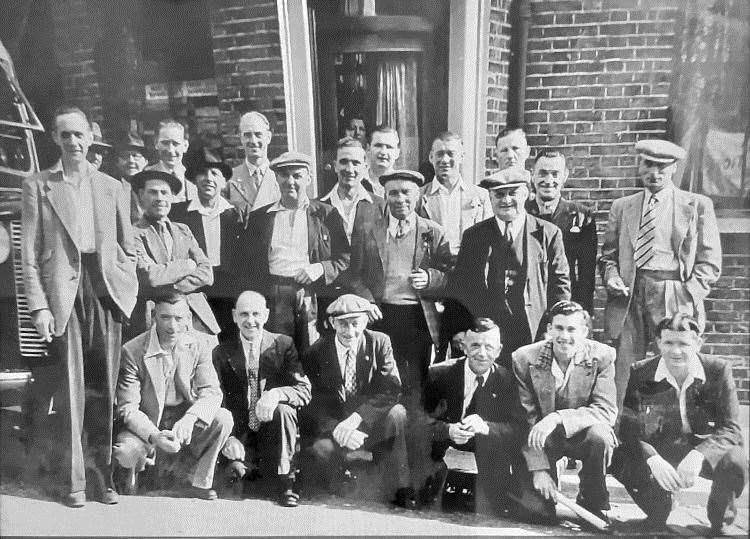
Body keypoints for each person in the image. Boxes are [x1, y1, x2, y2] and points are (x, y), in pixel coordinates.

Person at [21, 105, 138, 507]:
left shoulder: (111, 185)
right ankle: (74, 484)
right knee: (73, 392)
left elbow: (128, 247)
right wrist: (39, 308)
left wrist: (126, 286)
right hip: (64, 295)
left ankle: (103, 479)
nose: (73, 141)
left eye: (79, 134)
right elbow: (30, 256)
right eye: (64, 134)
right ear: (55, 138)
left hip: (104, 290)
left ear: (91, 138)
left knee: (104, 390)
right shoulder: (37, 185)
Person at [599, 139, 721, 411]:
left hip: (674, 291)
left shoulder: (697, 205)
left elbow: (710, 263)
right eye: (648, 164)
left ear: (674, 168)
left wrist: (687, 295)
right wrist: (612, 277)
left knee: (676, 363)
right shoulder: (622, 206)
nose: (654, 172)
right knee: (626, 369)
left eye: (662, 166)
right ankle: (624, 435)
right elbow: (607, 257)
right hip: (630, 293)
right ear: (638, 166)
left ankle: (681, 430)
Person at [613, 313, 747, 534]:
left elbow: (731, 428)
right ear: (658, 343)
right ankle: (657, 512)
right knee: (621, 455)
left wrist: (699, 454)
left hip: (700, 451)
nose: (675, 351)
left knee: (735, 459)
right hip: (663, 449)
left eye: (683, 344)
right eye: (668, 343)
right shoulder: (642, 371)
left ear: (697, 342)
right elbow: (628, 428)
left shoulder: (718, 370)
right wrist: (653, 459)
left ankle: (719, 524)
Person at [114, 293, 233, 500]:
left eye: (179, 319)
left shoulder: (198, 344)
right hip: (148, 421)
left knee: (222, 418)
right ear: (153, 316)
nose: (172, 326)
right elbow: (128, 409)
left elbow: (212, 392)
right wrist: (154, 435)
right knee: (125, 453)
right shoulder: (132, 351)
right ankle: (135, 477)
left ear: (188, 319)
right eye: (165, 317)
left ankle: (196, 482)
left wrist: (191, 418)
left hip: (182, 418)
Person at [449, 168, 570, 368]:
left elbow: (560, 286)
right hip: (487, 334)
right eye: (499, 194)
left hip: (533, 330)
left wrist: (553, 329)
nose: (506, 200)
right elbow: (460, 287)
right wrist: (461, 329)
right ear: (490, 197)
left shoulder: (548, 234)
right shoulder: (474, 236)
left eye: (512, 193)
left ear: (526, 194)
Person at [303, 294, 416, 509]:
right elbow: (314, 402)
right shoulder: (316, 352)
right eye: (342, 324)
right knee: (321, 451)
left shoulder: (379, 342)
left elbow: (392, 389)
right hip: (338, 427)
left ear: (365, 321)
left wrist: (357, 419)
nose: (350, 331)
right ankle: (337, 484)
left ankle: (402, 486)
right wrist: (337, 428)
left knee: (398, 413)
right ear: (332, 323)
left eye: (355, 323)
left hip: (373, 421)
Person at [344, 169, 452, 391]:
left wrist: (430, 278)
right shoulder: (368, 230)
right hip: (381, 315)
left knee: (416, 381)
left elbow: (451, 274)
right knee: (382, 378)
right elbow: (353, 273)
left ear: (418, 196)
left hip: (418, 318)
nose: (400, 199)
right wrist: (368, 302)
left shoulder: (432, 232)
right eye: (393, 193)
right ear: (385, 196)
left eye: (406, 192)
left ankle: (413, 422)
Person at [512, 300, 618, 524]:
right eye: (558, 328)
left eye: (572, 329)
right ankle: (550, 473)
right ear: (549, 330)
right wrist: (539, 469)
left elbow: (605, 410)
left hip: (583, 436)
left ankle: (591, 496)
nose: (564, 336)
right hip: (542, 439)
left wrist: (557, 417)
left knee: (601, 436)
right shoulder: (524, 358)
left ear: (584, 332)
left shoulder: (603, 357)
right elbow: (526, 417)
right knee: (535, 514)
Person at [241, 151, 349, 352]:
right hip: (274, 294)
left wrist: (320, 268)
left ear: (308, 178)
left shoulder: (327, 214)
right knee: (276, 351)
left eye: (297, 175)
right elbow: (247, 265)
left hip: (310, 294)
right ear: (276, 178)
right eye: (284, 175)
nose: (290, 181)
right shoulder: (260, 218)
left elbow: (345, 258)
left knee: (312, 351)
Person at [213, 291, 311, 507]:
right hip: (241, 438)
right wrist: (227, 437)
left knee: (284, 410)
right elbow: (215, 400)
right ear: (234, 316)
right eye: (244, 314)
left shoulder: (283, 345)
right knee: (233, 482)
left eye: (256, 313)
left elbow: (303, 389)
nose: (251, 321)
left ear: (266, 315)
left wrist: (276, 394)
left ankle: (285, 481)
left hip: (274, 438)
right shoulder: (221, 352)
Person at [423, 318, 526, 516]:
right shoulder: (439, 374)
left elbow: (518, 428)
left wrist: (486, 427)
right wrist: (448, 430)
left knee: (493, 508)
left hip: (485, 452)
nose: (482, 353)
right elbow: (418, 419)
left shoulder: (507, 381)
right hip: (443, 445)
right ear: (464, 347)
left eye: (489, 347)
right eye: (475, 345)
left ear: (499, 350)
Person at [420, 131, 493, 362]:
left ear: (461, 156)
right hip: (435, 277)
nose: (445, 160)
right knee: (435, 346)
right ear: (431, 157)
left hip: (469, 280)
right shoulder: (420, 197)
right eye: (439, 154)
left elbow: (490, 239)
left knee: (465, 343)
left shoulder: (479, 196)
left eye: (451, 153)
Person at [128, 169, 220, 343]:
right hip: (155, 313)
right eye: (153, 192)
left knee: (204, 358)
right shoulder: (133, 233)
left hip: (192, 311)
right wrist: (188, 266)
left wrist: (174, 287)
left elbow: (207, 273)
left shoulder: (183, 230)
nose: (160, 198)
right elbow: (149, 275)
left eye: (165, 193)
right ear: (141, 195)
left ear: (171, 198)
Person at [170, 160, 243, 340]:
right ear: (194, 180)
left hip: (229, 288)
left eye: (215, 174)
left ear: (224, 181)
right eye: (203, 173)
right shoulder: (179, 213)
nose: (208, 178)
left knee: (230, 338)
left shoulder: (238, 213)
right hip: (195, 286)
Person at [526, 150, 597, 314]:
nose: (548, 180)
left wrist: (583, 312)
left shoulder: (581, 216)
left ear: (564, 176)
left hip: (565, 303)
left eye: (555, 174)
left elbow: (586, 274)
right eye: (542, 173)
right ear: (533, 175)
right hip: (528, 302)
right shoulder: (521, 213)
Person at [318, 137, 384, 243]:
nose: (349, 169)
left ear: (365, 167)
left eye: (355, 163)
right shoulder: (318, 208)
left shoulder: (380, 206)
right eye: (344, 162)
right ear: (335, 166)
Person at [226, 111, 280, 217]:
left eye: (258, 134)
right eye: (247, 135)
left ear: (268, 137)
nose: (253, 141)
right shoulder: (230, 178)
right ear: (241, 138)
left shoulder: (281, 176)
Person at [146, 119, 197, 203]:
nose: (170, 150)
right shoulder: (146, 176)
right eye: (165, 143)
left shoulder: (195, 179)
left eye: (175, 144)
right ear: (156, 143)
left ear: (185, 145)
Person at [113, 131, 149, 224]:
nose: (131, 161)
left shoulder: (152, 189)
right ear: (117, 161)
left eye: (135, 156)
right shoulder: (111, 189)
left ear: (145, 161)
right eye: (125, 156)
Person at [364, 125, 400, 197]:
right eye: (378, 145)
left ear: (397, 153)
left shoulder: (403, 184)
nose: (383, 152)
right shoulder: (357, 182)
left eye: (389, 147)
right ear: (368, 149)